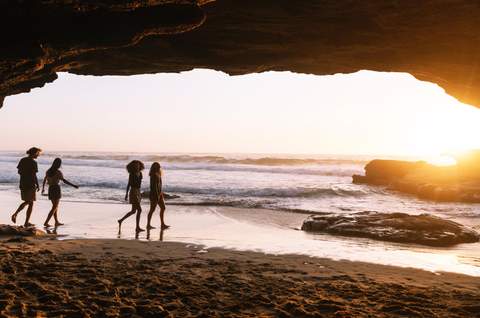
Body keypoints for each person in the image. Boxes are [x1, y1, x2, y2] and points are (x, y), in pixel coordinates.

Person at [41, 158, 79, 227]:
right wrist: (73, 185)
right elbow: (64, 181)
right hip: (56, 188)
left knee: (54, 206)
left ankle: (56, 222)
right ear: (59, 164)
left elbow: (44, 180)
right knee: (54, 207)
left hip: (50, 189)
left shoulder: (48, 171)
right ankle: (46, 222)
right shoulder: (58, 172)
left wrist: (43, 188)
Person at [11, 147, 42, 227]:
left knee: (30, 202)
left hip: (23, 183)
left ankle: (26, 222)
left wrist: (25, 175)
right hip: (30, 184)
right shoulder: (34, 163)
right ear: (34, 153)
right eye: (38, 153)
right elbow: (34, 175)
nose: (38, 155)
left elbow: (19, 172)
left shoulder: (23, 160)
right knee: (29, 202)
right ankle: (16, 214)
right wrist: (37, 184)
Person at [118, 160, 145, 233]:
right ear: (133, 166)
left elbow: (139, 184)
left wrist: (140, 193)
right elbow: (129, 184)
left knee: (133, 211)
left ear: (140, 165)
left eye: (138, 165)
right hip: (133, 191)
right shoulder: (132, 174)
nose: (137, 166)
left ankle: (120, 220)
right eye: (136, 165)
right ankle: (137, 227)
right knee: (139, 210)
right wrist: (126, 194)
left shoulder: (140, 173)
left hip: (138, 191)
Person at [146, 162, 169, 230]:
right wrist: (157, 195)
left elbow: (159, 185)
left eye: (159, 166)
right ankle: (148, 225)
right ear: (153, 167)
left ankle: (162, 224)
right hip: (154, 194)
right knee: (152, 210)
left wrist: (161, 193)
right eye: (157, 166)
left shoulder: (158, 174)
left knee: (163, 208)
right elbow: (153, 186)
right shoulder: (153, 174)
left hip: (159, 194)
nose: (159, 167)